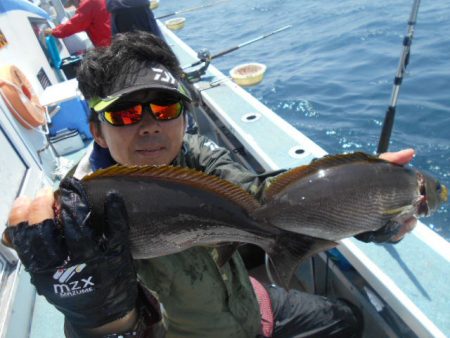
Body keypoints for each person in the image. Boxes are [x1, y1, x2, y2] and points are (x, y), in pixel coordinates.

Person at [2, 31, 417, 338]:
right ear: (96, 130)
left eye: (165, 108)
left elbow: (263, 198)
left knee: (346, 318)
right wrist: (94, 313)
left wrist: (365, 203)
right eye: (126, 114)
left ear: (184, 117)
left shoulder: (199, 157)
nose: (149, 126)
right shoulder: (78, 215)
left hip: (251, 306)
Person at [44, 0, 111, 48]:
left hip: (107, 46)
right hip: (112, 42)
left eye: (73, 3)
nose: (77, 8)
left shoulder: (89, 3)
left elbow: (73, 25)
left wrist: (53, 31)